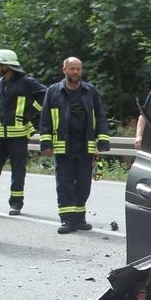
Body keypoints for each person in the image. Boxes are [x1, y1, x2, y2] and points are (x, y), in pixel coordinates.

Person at [39, 57, 109, 234]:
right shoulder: (53, 92)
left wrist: (103, 140)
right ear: (64, 70)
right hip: (63, 146)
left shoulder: (90, 91)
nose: (75, 72)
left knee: (84, 183)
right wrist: (46, 143)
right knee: (65, 183)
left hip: (85, 146)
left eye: (78, 69)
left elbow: (100, 116)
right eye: (72, 69)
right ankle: (67, 220)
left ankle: (80, 217)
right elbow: (45, 119)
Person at [0, 48, 47, 216]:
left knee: (18, 170)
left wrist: (32, 112)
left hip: (18, 136)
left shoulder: (26, 82)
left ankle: (16, 204)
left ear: (7, 66)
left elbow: (46, 95)